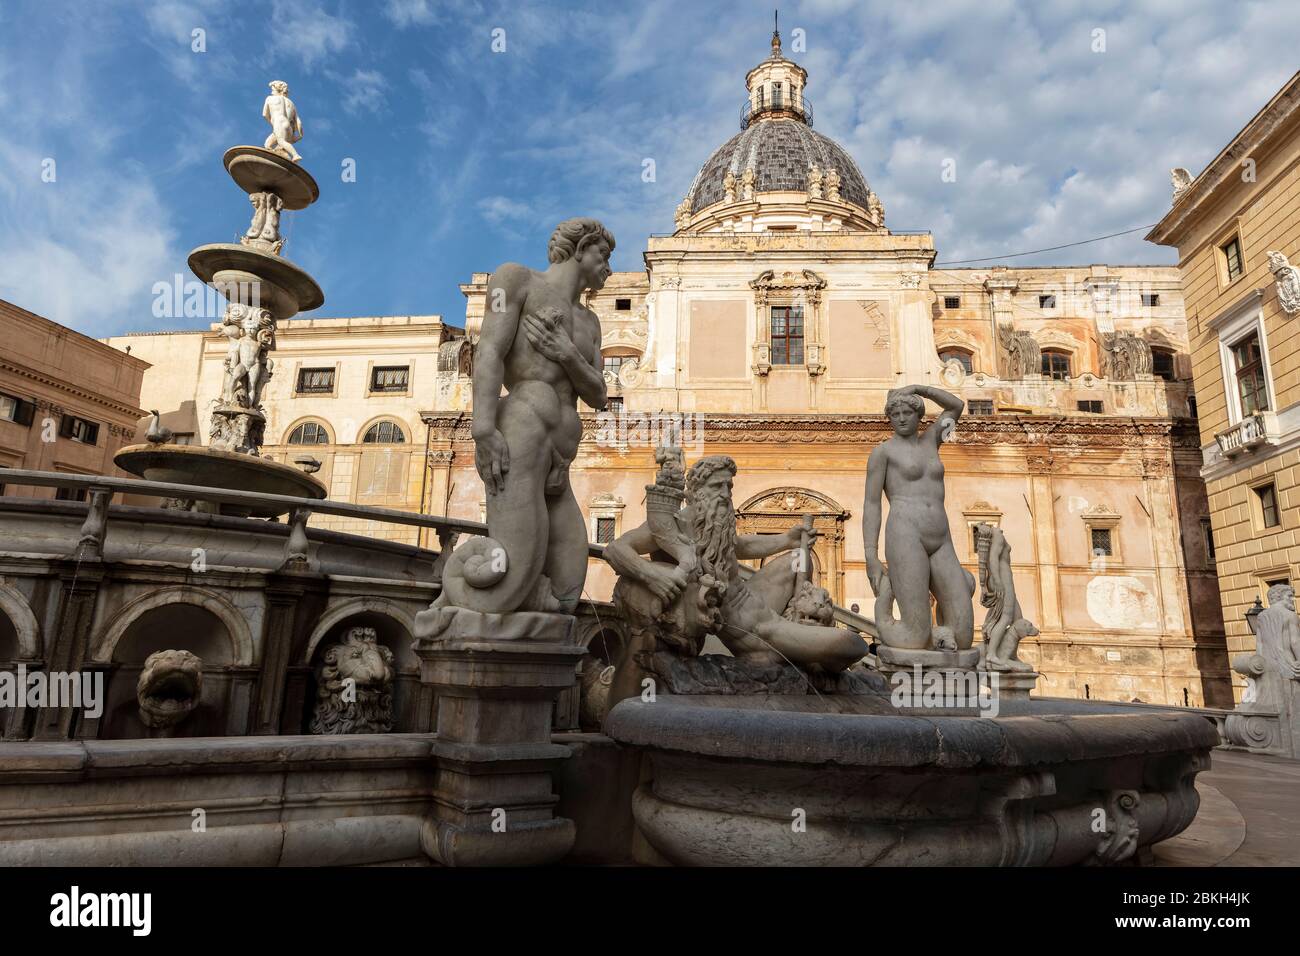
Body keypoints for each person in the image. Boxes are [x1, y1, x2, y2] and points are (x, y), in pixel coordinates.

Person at [863, 384, 974, 649]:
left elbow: (956, 406)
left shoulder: (934, 440)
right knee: (913, 637)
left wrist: (919, 389)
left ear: (919, 415)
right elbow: (871, 503)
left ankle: (935, 634)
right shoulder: (883, 452)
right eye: (895, 414)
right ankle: (889, 605)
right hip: (905, 534)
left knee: (963, 635)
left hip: (941, 538)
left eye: (907, 413)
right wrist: (871, 554)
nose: (901, 418)